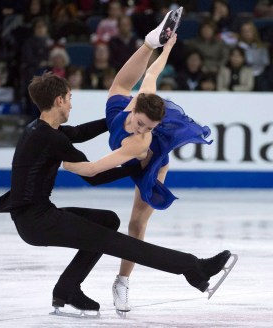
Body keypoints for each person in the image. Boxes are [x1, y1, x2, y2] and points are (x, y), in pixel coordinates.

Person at [0, 14, 237, 319]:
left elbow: (78, 133)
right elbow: (91, 175)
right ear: (59, 100)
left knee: (107, 221)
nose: (72, 103)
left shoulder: (43, 130)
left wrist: (123, 116)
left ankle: (66, 290)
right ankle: (194, 269)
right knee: (120, 243)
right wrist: (133, 166)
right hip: (38, 222)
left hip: (36, 216)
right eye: (70, 99)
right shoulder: (49, 139)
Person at [62, 7, 227, 315]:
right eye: (142, 124)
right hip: (122, 109)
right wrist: (165, 48)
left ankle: (122, 282)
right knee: (119, 86)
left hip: (151, 165)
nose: (144, 130)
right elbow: (152, 73)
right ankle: (150, 41)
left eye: (150, 128)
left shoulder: (140, 141)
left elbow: (97, 168)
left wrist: (63, 162)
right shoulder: (134, 102)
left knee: (137, 224)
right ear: (136, 109)